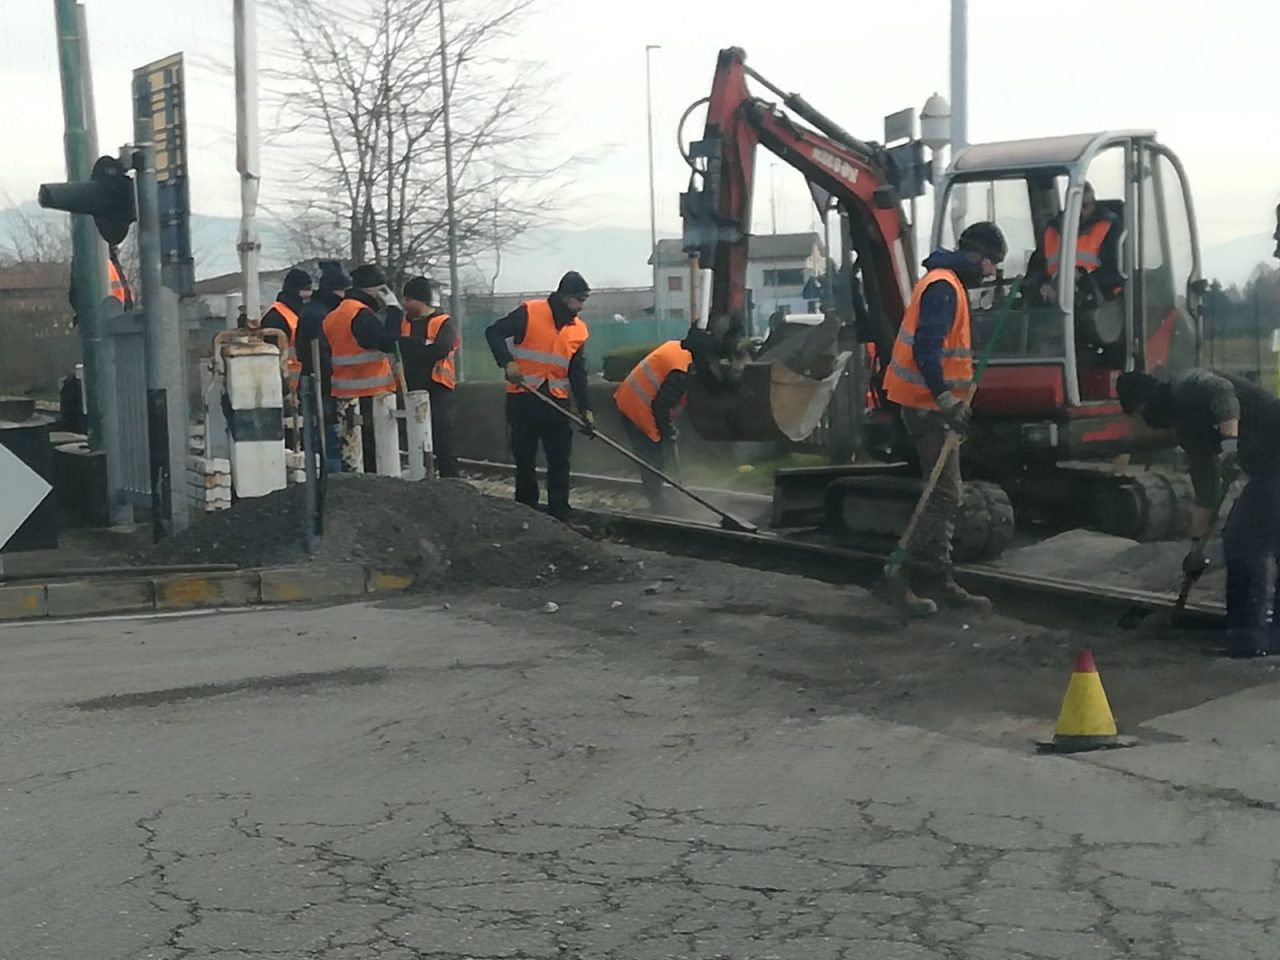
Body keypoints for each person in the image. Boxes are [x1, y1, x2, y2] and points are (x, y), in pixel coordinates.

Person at [880, 221, 1008, 617]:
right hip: (927, 406)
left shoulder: (945, 281)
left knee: (944, 493)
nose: (989, 272)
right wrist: (944, 398)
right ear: (978, 256)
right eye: (990, 264)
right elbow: (927, 347)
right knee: (944, 493)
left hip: (933, 405)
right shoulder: (943, 287)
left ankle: (937, 576)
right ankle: (902, 575)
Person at [1117, 368, 1280, 658]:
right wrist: (1196, 549)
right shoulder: (1187, 430)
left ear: (1148, 398)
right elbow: (1205, 489)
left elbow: (1223, 392)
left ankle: (1247, 642)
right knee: (1266, 538)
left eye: (1141, 411)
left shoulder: (1185, 383)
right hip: (1269, 466)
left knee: (1244, 542)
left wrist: (1230, 445)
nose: (1145, 420)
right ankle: (1268, 641)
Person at [484, 270, 593, 521]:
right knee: (525, 460)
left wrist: (586, 408)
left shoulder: (579, 330)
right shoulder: (530, 312)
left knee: (560, 461)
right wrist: (507, 362)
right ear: (566, 297)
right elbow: (494, 332)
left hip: (556, 402)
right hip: (524, 399)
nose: (581, 307)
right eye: (579, 301)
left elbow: (578, 372)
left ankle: (560, 512)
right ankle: (527, 511)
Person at [321, 263, 399, 473]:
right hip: (369, 395)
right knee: (372, 456)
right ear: (372, 290)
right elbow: (387, 342)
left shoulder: (335, 315)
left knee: (352, 456)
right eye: (382, 291)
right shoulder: (360, 314)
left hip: (344, 393)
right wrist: (394, 311)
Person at [613, 339, 692, 512]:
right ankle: (658, 504)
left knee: (655, 454)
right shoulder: (681, 371)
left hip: (637, 398)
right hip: (637, 405)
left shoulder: (680, 350)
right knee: (652, 457)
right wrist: (668, 431)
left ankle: (659, 498)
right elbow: (661, 406)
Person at [397, 276, 460, 478]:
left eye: (408, 299)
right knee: (415, 438)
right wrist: (422, 346)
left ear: (421, 300)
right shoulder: (403, 322)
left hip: (439, 387)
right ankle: (422, 476)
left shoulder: (443, 322)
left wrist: (413, 348)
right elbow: (397, 345)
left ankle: (450, 479)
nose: (404, 304)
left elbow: (441, 349)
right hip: (412, 387)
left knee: (443, 438)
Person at [1031, 181, 1123, 304]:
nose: (1079, 212)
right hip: (1054, 302)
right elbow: (1036, 266)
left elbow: (1115, 271)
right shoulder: (1052, 229)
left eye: (1084, 206)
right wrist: (1043, 285)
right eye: (1075, 206)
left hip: (1097, 302)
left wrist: (1083, 279)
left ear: (1093, 204)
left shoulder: (1110, 226)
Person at [298, 261, 350, 473]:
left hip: (316, 384)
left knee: (323, 440)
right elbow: (322, 354)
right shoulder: (323, 315)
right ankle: (333, 488)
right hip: (324, 386)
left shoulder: (313, 310)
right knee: (330, 441)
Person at [261, 267, 314, 394]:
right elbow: (271, 357)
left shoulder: (302, 311)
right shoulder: (276, 317)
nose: (309, 294)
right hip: (286, 387)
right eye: (305, 290)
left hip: (304, 383)